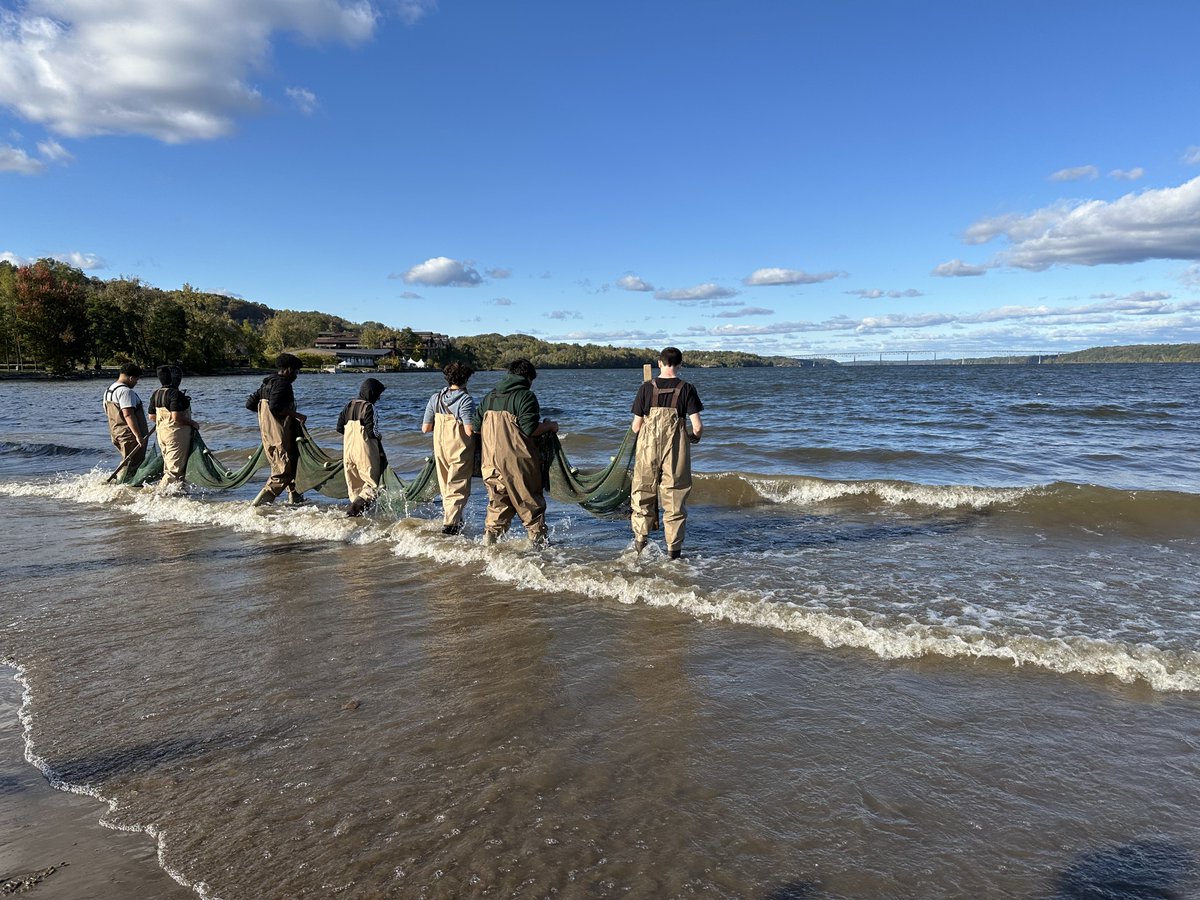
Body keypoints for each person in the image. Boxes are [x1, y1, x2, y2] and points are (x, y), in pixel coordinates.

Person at [472, 358, 558, 546]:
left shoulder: (489, 397)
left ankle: (488, 546)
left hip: (490, 462)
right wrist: (550, 426)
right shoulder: (525, 396)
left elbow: (475, 428)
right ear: (528, 377)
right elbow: (530, 430)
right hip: (518, 462)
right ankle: (539, 550)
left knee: (498, 504)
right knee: (530, 505)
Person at [630, 347, 704, 559]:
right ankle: (673, 554)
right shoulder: (687, 388)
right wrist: (694, 438)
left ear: (659, 363)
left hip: (647, 448)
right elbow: (697, 426)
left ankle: (639, 548)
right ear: (680, 364)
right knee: (674, 497)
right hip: (675, 447)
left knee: (642, 493)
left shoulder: (646, 388)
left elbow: (636, 427)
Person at [246, 353, 308, 506]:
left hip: (268, 435)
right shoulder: (283, 384)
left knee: (287, 466)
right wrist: (297, 415)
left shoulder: (266, 384)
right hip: (281, 435)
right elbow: (275, 407)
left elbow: (250, 404)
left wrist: (266, 416)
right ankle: (256, 507)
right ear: (287, 370)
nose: (296, 375)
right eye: (295, 371)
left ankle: (295, 501)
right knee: (284, 471)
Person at [421, 363, 476, 535]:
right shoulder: (465, 400)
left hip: (440, 446)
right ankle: (450, 527)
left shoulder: (435, 398)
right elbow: (469, 430)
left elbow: (426, 428)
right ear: (466, 379)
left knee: (446, 487)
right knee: (458, 486)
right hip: (459, 448)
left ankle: (455, 521)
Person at [336, 377, 388, 517]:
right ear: (372, 393)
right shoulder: (369, 407)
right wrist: (380, 438)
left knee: (355, 487)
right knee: (371, 486)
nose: (378, 398)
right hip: (364, 450)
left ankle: (357, 519)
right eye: (378, 394)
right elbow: (373, 432)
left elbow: (339, 427)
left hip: (348, 450)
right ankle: (351, 514)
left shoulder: (349, 405)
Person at [148, 365, 200, 493]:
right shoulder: (175, 394)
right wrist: (192, 423)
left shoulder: (157, 393)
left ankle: (179, 493)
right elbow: (176, 417)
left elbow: (151, 417)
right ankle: (157, 496)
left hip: (162, 434)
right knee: (174, 470)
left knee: (170, 466)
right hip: (175, 434)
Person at [103, 363, 149, 478]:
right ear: (131, 378)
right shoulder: (125, 392)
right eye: (136, 380)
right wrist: (138, 436)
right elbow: (128, 414)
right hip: (129, 435)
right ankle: (124, 489)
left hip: (116, 433)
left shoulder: (109, 390)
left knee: (127, 462)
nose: (136, 382)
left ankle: (120, 485)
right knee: (132, 465)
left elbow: (107, 411)